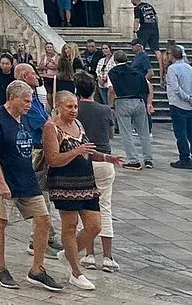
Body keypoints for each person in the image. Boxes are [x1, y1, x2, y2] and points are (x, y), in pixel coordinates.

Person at [0, 81, 62, 292]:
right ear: (12, 98)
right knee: (1, 221)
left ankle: (37, 269)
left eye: (30, 100)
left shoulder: (26, 118)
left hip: (27, 178)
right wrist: (1, 182)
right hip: (5, 179)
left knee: (43, 219)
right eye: (26, 101)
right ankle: (1, 268)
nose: (29, 104)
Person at [43, 90, 119, 291]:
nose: (74, 110)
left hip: (86, 181)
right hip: (65, 183)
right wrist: (76, 151)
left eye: (75, 106)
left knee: (95, 225)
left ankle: (69, 253)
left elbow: (88, 151)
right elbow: (53, 159)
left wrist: (106, 157)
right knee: (70, 225)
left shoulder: (78, 124)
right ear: (58, 107)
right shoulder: (51, 127)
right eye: (69, 106)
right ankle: (76, 272)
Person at [72, 73, 120, 273]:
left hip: (82, 161)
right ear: (94, 90)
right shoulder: (105, 109)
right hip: (104, 161)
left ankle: (89, 254)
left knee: (85, 208)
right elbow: (110, 135)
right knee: (105, 206)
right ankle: (108, 257)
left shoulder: (73, 110)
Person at [106, 49, 154, 169]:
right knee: (144, 132)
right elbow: (148, 87)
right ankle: (148, 159)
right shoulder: (136, 72)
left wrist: (111, 106)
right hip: (138, 100)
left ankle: (133, 160)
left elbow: (111, 90)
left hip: (122, 100)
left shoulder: (113, 72)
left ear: (115, 60)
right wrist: (148, 103)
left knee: (126, 133)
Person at [164, 44, 192, 170]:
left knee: (180, 133)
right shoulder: (189, 67)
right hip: (190, 106)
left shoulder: (172, 69)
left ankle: (185, 158)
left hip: (178, 104)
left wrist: (189, 98)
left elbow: (176, 88)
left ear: (172, 55)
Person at [130, 0, 166, 80]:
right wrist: (155, 26)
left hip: (144, 29)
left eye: (131, 0)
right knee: (156, 49)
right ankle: (161, 72)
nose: (131, 2)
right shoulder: (149, 5)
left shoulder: (137, 8)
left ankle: (145, 67)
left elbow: (137, 20)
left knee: (141, 47)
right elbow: (156, 16)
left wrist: (135, 31)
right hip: (154, 28)